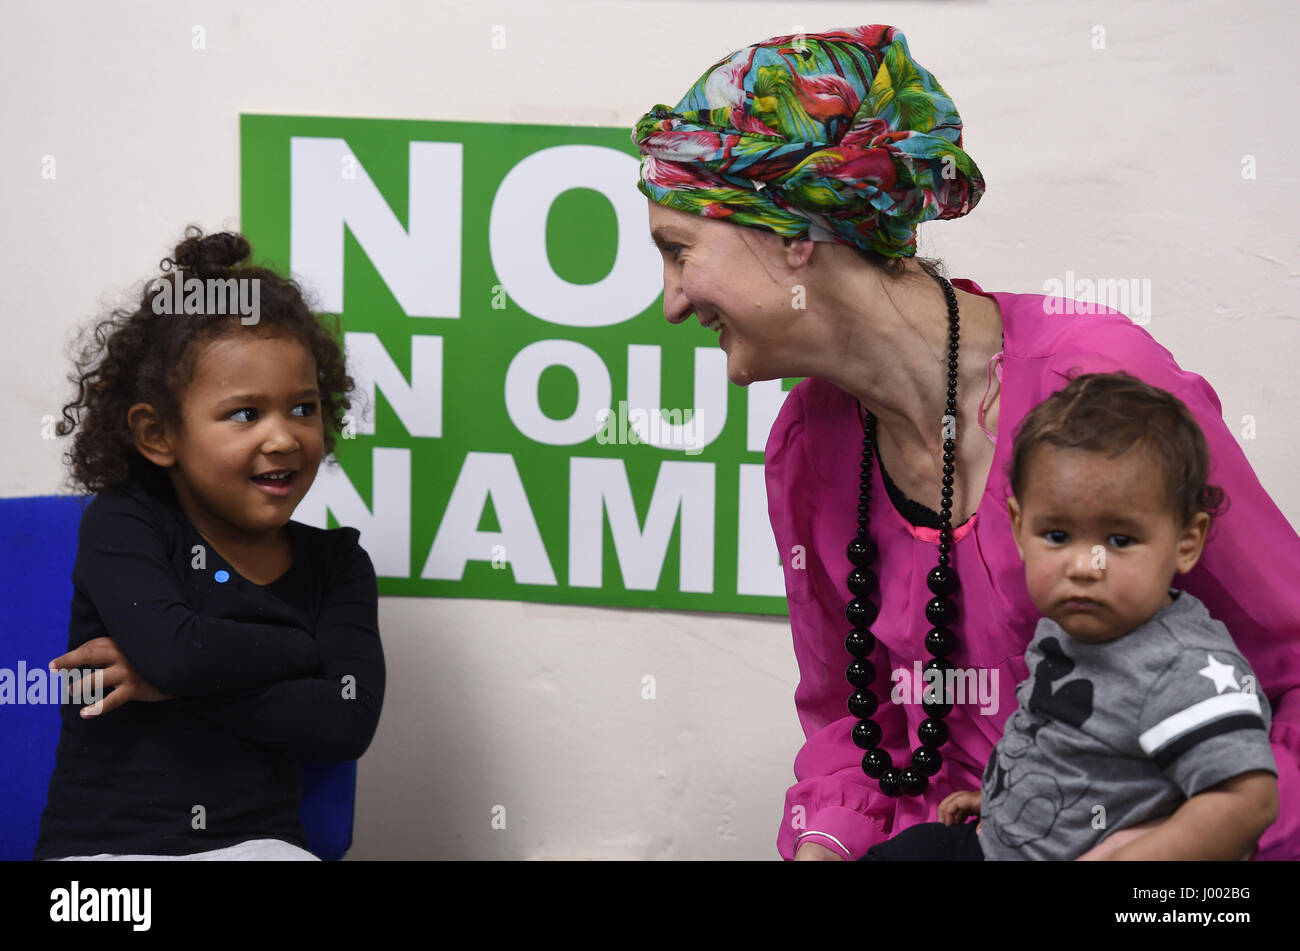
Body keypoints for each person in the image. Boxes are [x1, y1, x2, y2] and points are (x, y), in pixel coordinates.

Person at [631, 24, 1300, 860]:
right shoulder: (809, 443)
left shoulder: (1093, 379)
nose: (672, 301)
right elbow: (851, 721)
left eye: (678, 250)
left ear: (795, 233)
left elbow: (1292, 668)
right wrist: (827, 845)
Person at [34, 227, 385, 860]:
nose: (284, 438)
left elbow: (344, 721)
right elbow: (176, 654)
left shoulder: (337, 565)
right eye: (246, 414)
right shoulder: (124, 523)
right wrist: (299, 649)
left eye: (302, 408)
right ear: (158, 434)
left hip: (256, 849)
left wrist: (170, 679)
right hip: (104, 858)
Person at [859, 373, 1278, 860]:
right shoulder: (1072, 621)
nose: (1084, 566)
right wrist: (1004, 798)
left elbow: (1247, 801)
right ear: (1019, 527)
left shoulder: (1183, 666)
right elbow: (1067, 747)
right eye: (1057, 536)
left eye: (1120, 540)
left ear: (1186, 542)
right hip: (990, 837)